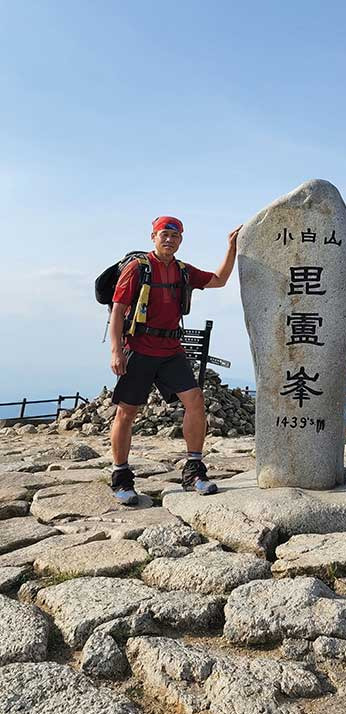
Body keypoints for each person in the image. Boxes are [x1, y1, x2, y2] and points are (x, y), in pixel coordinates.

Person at [109, 215, 241, 505]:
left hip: (171, 350)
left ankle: (194, 471)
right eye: (163, 235)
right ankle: (121, 476)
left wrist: (231, 247)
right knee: (126, 413)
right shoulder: (137, 269)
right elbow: (118, 311)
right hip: (139, 347)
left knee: (195, 401)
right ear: (153, 237)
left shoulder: (183, 272)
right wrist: (116, 351)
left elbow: (219, 280)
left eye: (175, 236)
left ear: (181, 240)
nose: (169, 240)